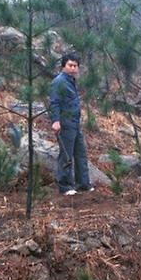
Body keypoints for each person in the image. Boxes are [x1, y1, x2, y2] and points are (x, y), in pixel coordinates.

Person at [51, 53, 92, 196]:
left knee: (80, 154)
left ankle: (83, 183)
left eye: (75, 66)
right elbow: (54, 102)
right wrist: (55, 121)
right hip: (65, 123)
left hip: (75, 123)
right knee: (66, 155)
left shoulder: (71, 81)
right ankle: (65, 186)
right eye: (70, 65)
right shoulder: (59, 82)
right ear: (64, 66)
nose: (73, 68)